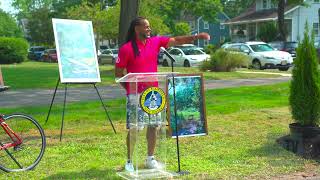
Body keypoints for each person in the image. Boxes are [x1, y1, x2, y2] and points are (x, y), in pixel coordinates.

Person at [115, 16, 210, 172]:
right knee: (135, 128)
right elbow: (119, 74)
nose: (149, 29)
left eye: (149, 27)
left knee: (154, 126)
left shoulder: (155, 42)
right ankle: (130, 161)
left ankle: (150, 158)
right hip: (135, 94)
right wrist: (130, 90)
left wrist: (196, 37)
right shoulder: (126, 49)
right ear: (136, 29)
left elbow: (176, 40)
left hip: (153, 95)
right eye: (146, 27)